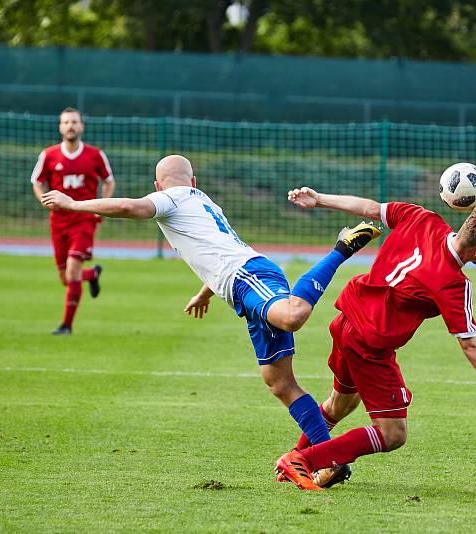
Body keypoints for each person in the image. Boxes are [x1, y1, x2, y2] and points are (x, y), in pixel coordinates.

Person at [41, 154, 381, 456]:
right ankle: (328, 457)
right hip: (242, 280)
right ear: (194, 181)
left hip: (247, 276)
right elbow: (216, 247)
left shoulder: (169, 198)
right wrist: (205, 292)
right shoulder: (202, 200)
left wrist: (72, 204)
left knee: (292, 316)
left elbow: (129, 208)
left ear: (157, 185)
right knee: (279, 383)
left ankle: (342, 247)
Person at [274, 187, 476, 491]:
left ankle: (302, 459)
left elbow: (369, 208)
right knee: (393, 434)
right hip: (370, 346)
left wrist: (319, 199)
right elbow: (470, 345)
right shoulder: (453, 284)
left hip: (346, 321)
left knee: (340, 404)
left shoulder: (422, 217)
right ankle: (303, 461)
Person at [31, 107, 114, 335]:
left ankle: (66, 325)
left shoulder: (95, 155)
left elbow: (109, 181)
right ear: (60, 126)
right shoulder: (49, 155)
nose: (70, 126)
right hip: (58, 221)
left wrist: (101, 207)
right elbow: (37, 182)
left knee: (73, 267)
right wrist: (44, 200)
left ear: (81, 126)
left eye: (74, 122)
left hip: (84, 219)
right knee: (66, 279)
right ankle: (92, 274)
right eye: (66, 122)